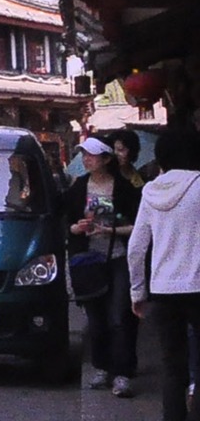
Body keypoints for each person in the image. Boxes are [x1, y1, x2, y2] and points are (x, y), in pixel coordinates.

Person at [130, 128, 200, 421]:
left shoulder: (150, 192)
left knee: (173, 370)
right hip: (198, 286)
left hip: (164, 290)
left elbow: (136, 246)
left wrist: (137, 291)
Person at [65, 136, 142, 396]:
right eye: (84, 154)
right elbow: (67, 222)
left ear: (106, 159)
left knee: (119, 316)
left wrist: (110, 230)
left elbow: (139, 225)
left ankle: (122, 372)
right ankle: (101, 367)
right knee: (96, 319)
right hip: (88, 261)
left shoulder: (124, 189)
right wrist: (77, 228)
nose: (87, 159)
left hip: (118, 257)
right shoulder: (78, 189)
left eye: (92, 155)